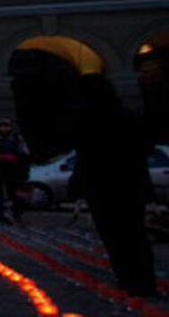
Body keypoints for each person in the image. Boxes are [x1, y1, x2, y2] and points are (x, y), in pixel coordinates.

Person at [67, 75, 158, 297]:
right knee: (136, 234)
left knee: (115, 235)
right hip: (130, 185)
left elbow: (85, 156)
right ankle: (146, 282)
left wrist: (79, 189)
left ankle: (129, 281)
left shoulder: (87, 119)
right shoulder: (128, 115)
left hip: (103, 187)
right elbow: (144, 151)